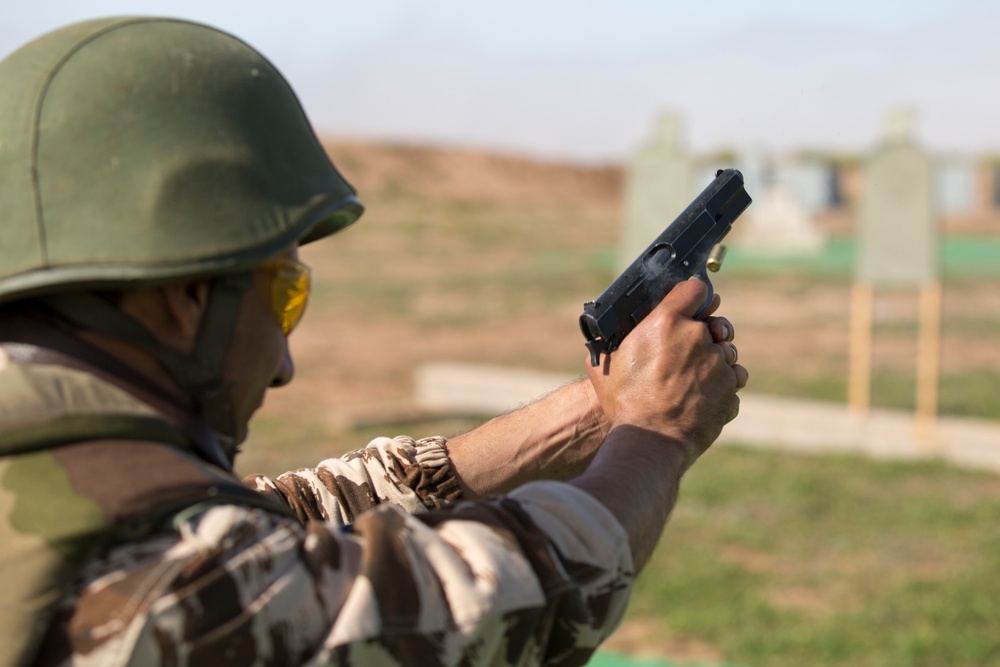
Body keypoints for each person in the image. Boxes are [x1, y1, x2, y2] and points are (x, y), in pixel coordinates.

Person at [0, 16, 747, 667]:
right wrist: (657, 432)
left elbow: (282, 512)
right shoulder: (150, 579)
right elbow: (486, 610)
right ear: (183, 297)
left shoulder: (51, 470)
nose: (285, 366)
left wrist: (604, 404)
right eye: (283, 295)